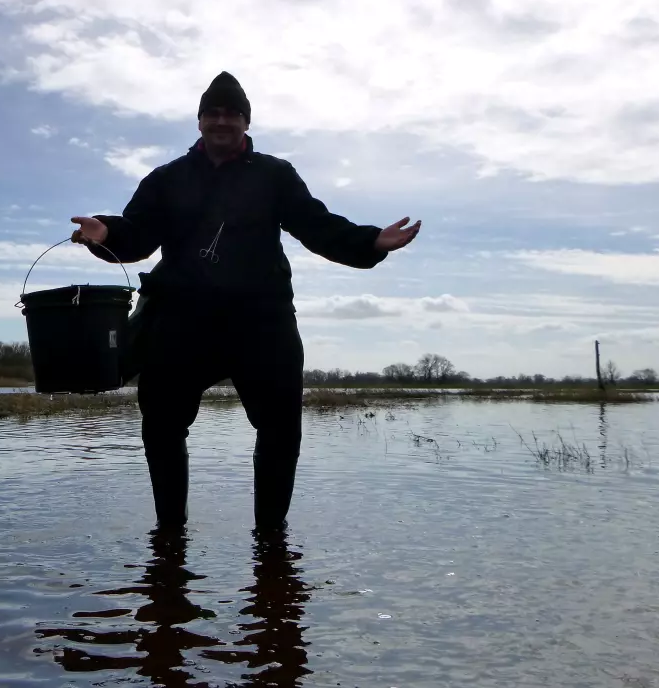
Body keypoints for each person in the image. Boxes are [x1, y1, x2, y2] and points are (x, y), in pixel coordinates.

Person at [69, 71, 422, 531]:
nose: (221, 120)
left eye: (231, 113)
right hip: (181, 318)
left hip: (261, 319)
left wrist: (371, 241)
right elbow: (137, 235)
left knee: (280, 429)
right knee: (162, 425)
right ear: (198, 121)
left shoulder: (275, 175)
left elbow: (316, 225)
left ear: (246, 122)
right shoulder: (166, 179)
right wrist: (106, 232)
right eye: (212, 113)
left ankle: (271, 541)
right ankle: (170, 534)